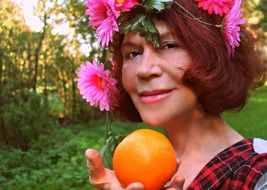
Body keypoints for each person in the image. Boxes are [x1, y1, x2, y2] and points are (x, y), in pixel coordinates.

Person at [80, 0, 267, 189]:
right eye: (133, 53)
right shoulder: (133, 170)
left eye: (169, 46)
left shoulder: (257, 176)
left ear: (212, 55)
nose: (144, 70)